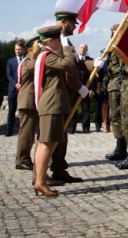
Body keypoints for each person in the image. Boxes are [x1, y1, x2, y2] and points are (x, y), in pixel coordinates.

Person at [32, 25, 79, 197]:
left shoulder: (47, 56)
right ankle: (40, 181)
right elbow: (67, 63)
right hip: (51, 105)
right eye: (59, 39)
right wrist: (67, 47)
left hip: (53, 105)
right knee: (46, 144)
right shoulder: (47, 56)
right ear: (51, 40)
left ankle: (39, 180)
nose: (61, 42)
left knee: (47, 143)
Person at [98, 24, 128, 170]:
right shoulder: (111, 49)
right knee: (115, 117)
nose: (115, 35)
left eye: (117, 33)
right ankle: (120, 147)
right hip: (114, 84)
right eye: (113, 33)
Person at [49, 10, 86, 183]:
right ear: (64, 22)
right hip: (57, 93)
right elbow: (66, 69)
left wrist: (96, 64)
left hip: (65, 94)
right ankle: (50, 170)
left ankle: (59, 168)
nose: (74, 27)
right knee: (54, 133)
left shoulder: (65, 40)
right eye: (72, 23)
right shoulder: (55, 42)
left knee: (61, 133)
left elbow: (76, 64)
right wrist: (80, 88)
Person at [15, 37, 41, 171]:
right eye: (39, 45)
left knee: (29, 132)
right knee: (26, 132)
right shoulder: (29, 61)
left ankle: (26, 158)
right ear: (32, 49)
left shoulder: (32, 59)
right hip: (28, 100)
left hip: (31, 100)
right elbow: (32, 68)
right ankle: (22, 159)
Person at [69, 42, 93, 133]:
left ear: (87, 50)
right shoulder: (74, 59)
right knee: (73, 108)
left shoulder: (91, 60)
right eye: (81, 48)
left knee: (86, 108)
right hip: (75, 87)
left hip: (86, 87)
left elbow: (93, 77)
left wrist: (91, 89)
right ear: (79, 49)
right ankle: (72, 127)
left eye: (84, 48)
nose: (82, 50)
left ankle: (86, 128)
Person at [6, 41, 26, 137]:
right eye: (16, 49)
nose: (17, 51)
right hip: (13, 89)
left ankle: (23, 130)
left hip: (24, 89)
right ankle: (9, 130)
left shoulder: (27, 60)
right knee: (11, 110)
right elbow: (9, 75)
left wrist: (23, 84)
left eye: (19, 49)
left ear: (23, 49)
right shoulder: (10, 61)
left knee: (24, 110)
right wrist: (15, 84)